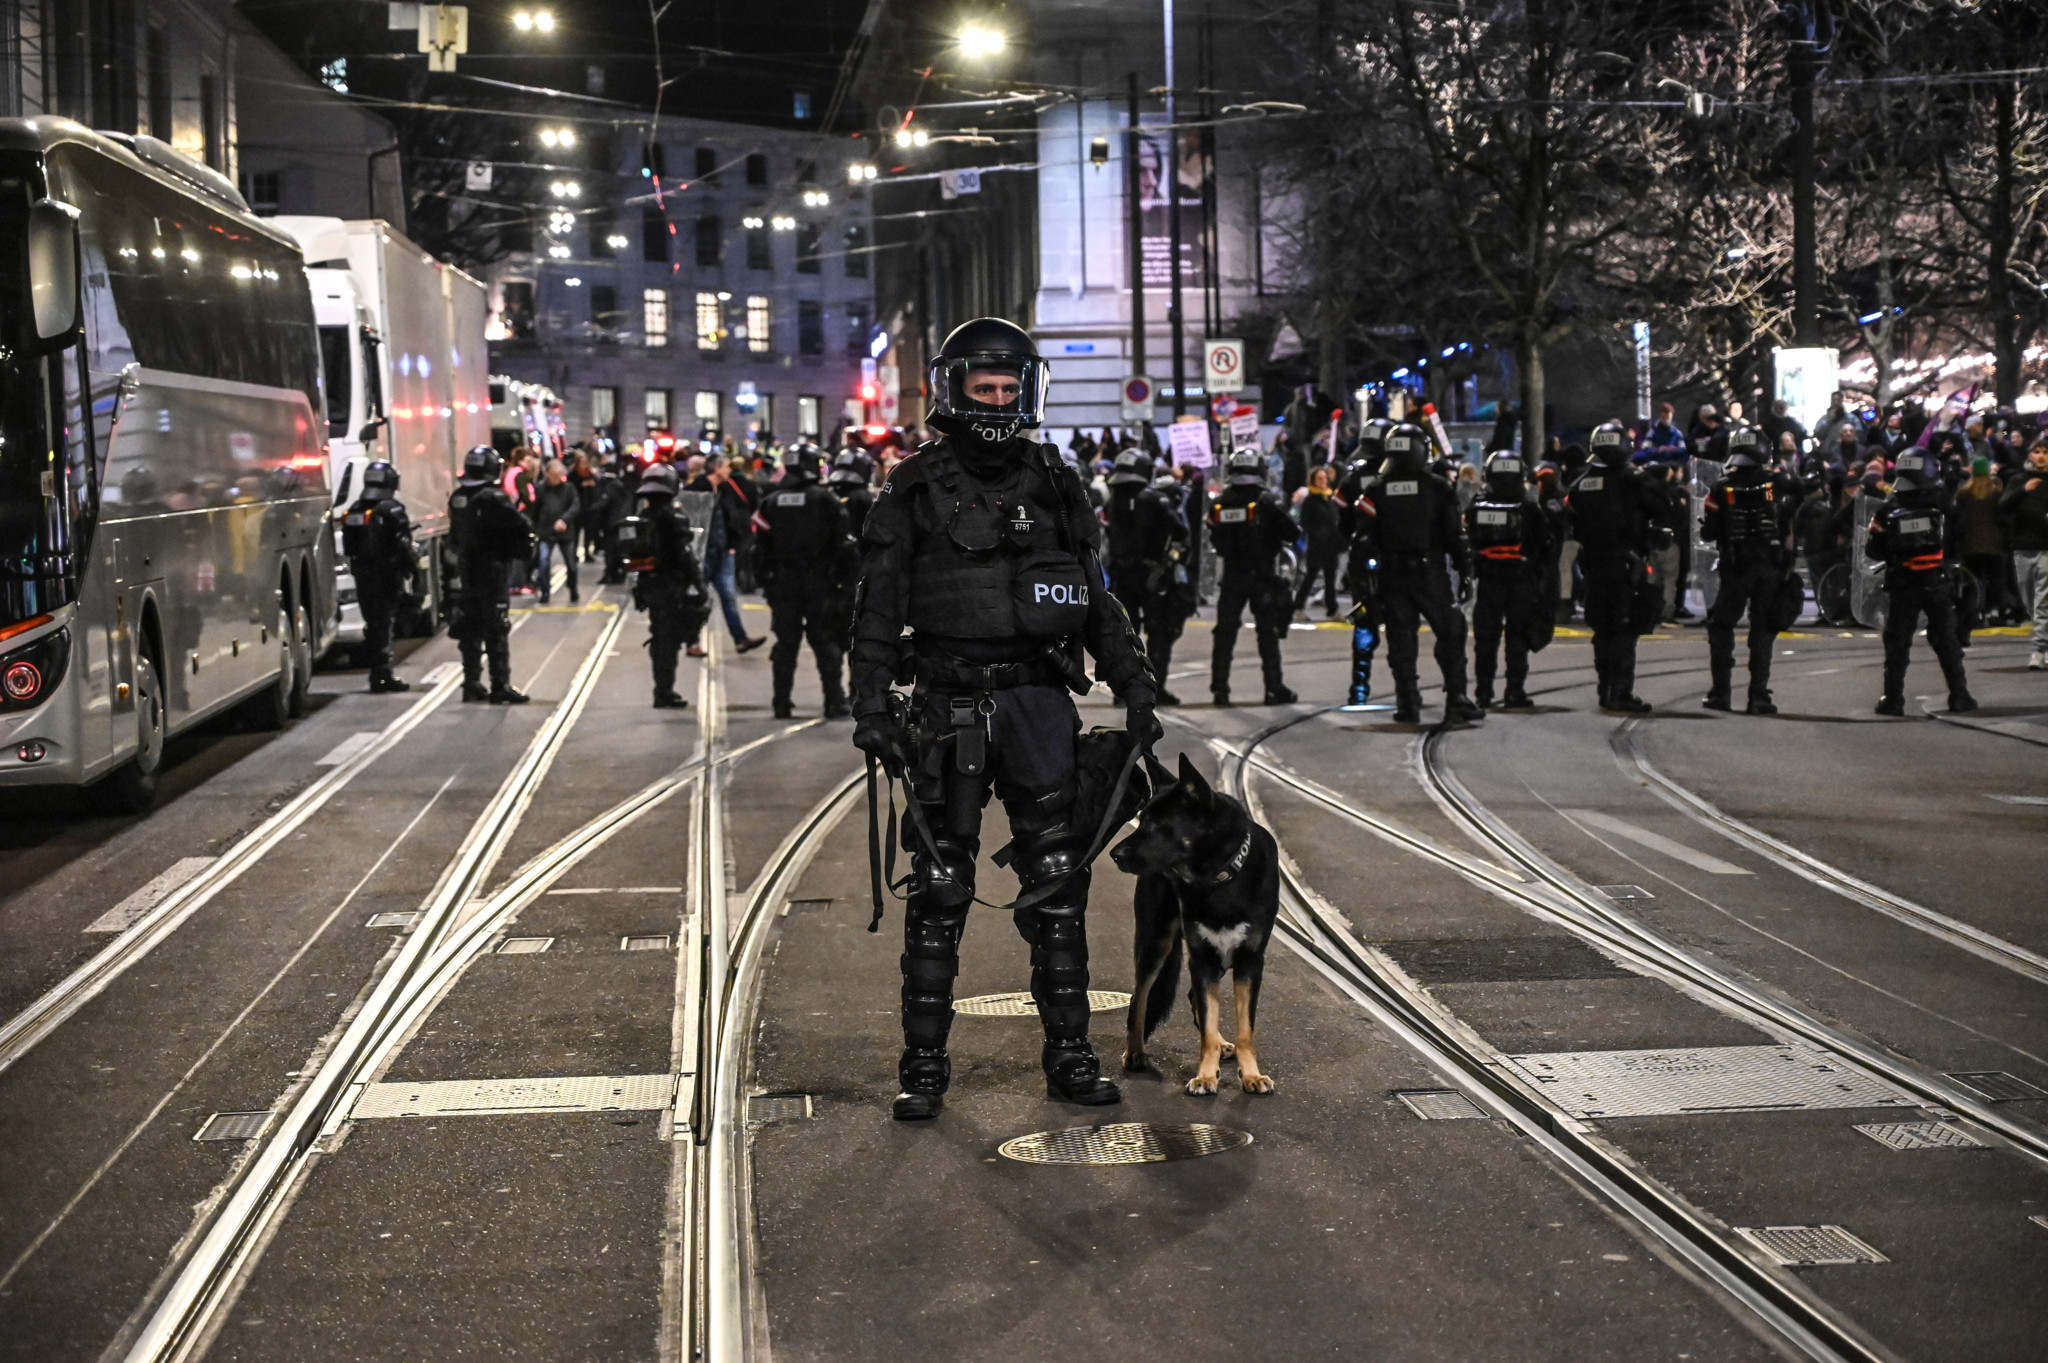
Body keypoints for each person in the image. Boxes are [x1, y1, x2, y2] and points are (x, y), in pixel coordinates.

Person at [847, 317, 1158, 1122]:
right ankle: (922, 1066)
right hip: (947, 704)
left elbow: (1096, 597)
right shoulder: (913, 487)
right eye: (983, 387)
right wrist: (871, 706)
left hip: (1036, 705)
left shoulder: (1055, 483)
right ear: (954, 390)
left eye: (1007, 387)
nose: (997, 399)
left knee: (1058, 885)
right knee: (941, 888)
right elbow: (876, 611)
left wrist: (1134, 684)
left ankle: (1071, 1054)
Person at [1347, 423, 1481, 724]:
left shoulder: (1376, 490)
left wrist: (1361, 586)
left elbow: (1362, 542)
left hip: (1391, 576)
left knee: (1401, 638)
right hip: (1429, 573)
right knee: (1451, 631)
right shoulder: (1437, 487)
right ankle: (1456, 698)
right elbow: (1455, 536)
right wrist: (1466, 572)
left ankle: (1407, 702)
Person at [1566, 420, 1669, 713]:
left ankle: (1605, 687)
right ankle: (1620, 691)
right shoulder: (1633, 480)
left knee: (1602, 627)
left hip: (1594, 563)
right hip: (1625, 563)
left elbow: (1570, 518)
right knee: (1625, 626)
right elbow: (1664, 507)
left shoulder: (1580, 482)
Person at [1866, 449, 1976, 715]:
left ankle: (1893, 699)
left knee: (1897, 644)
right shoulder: (1942, 504)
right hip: (1936, 581)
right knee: (1947, 641)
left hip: (1902, 583)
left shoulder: (1888, 507)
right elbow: (1960, 534)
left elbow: (1873, 549)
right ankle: (1959, 695)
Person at [1698, 424, 1796, 713]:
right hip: (1769, 568)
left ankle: (1721, 693)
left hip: (1735, 568)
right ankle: (1758, 696)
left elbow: (1709, 532)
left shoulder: (1720, 487)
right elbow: (1790, 518)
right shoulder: (1777, 485)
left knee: (1721, 627)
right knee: (1763, 630)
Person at [753, 442, 852, 719]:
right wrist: (845, 583)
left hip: (784, 584)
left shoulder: (770, 502)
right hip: (820, 582)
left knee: (785, 644)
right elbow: (844, 546)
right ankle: (834, 700)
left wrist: (767, 584)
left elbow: (759, 549)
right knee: (825, 642)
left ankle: (781, 702)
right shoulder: (825, 500)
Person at [1207, 446, 1299, 706]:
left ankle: (1220, 689)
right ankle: (1273, 687)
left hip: (1232, 576)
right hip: (1262, 577)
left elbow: (1215, 536)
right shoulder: (1267, 501)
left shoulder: (1219, 503)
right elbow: (1292, 532)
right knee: (1267, 635)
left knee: (1225, 634)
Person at [1465, 450, 1554, 710]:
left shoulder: (1478, 504)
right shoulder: (1529, 507)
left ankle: (1483, 692)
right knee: (1517, 637)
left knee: (1486, 639)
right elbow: (1546, 542)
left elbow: (1467, 538)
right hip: (1520, 580)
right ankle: (1514, 691)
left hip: (1490, 580)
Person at [448, 445, 534, 704]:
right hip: (492, 570)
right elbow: (520, 526)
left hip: (468, 570)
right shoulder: (493, 498)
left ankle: (472, 683)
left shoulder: (458, 497)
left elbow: (454, 537)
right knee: (496, 627)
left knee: (470, 628)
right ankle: (500, 685)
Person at [629, 462, 710, 708]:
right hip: (671, 585)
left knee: (660, 635)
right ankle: (664, 691)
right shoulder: (674, 518)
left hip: (649, 586)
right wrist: (699, 584)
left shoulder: (643, 517)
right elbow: (685, 555)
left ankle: (662, 688)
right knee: (669, 640)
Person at [339, 459, 416, 693]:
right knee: (384, 623)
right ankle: (382, 674)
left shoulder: (354, 510)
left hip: (363, 574)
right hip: (386, 574)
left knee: (373, 622)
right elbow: (403, 544)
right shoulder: (391, 509)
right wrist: (411, 568)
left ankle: (378, 672)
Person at [1130, 461, 1194, 703]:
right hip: (1156, 577)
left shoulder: (1127, 501)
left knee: (1127, 636)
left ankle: (1124, 691)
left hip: (1127, 575)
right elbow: (1182, 534)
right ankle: (1155, 687)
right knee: (1161, 633)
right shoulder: (1161, 503)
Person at [694, 453, 767, 654]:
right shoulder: (697, 489)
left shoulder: (726, 490)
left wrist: (733, 543)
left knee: (728, 596)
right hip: (704, 554)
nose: (729, 470)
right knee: (700, 599)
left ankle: (740, 639)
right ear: (716, 469)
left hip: (724, 551)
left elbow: (733, 516)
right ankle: (692, 641)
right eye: (726, 466)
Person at [1999, 438, 2048, 669]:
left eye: (2045, 452)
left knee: (2043, 603)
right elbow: (2003, 507)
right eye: (2036, 451)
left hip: (2046, 548)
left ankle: (2038, 650)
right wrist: (2023, 491)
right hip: (2022, 547)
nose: (2041, 456)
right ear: (2029, 454)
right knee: (2030, 602)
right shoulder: (2019, 480)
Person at [1294, 466, 1344, 617]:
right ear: (1313, 481)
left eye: (1324, 478)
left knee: (1330, 578)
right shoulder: (1310, 500)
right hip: (1317, 545)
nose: (1323, 482)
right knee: (1311, 576)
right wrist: (1319, 533)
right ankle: (1298, 607)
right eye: (1319, 479)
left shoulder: (1329, 498)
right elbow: (1305, 522)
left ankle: (1332, 608)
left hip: (1331, 544)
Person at [532, 458, 581, 605]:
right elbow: (536, 509)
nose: (556, 478)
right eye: (553, 475)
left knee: (571, 564)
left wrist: (564, 520)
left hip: (565, 532)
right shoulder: (541, 489)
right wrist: (535, 529)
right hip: (546, 531)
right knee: (543, 563)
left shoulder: (569, 489)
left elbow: (575, 506)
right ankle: (545, 591)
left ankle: (572, 587)